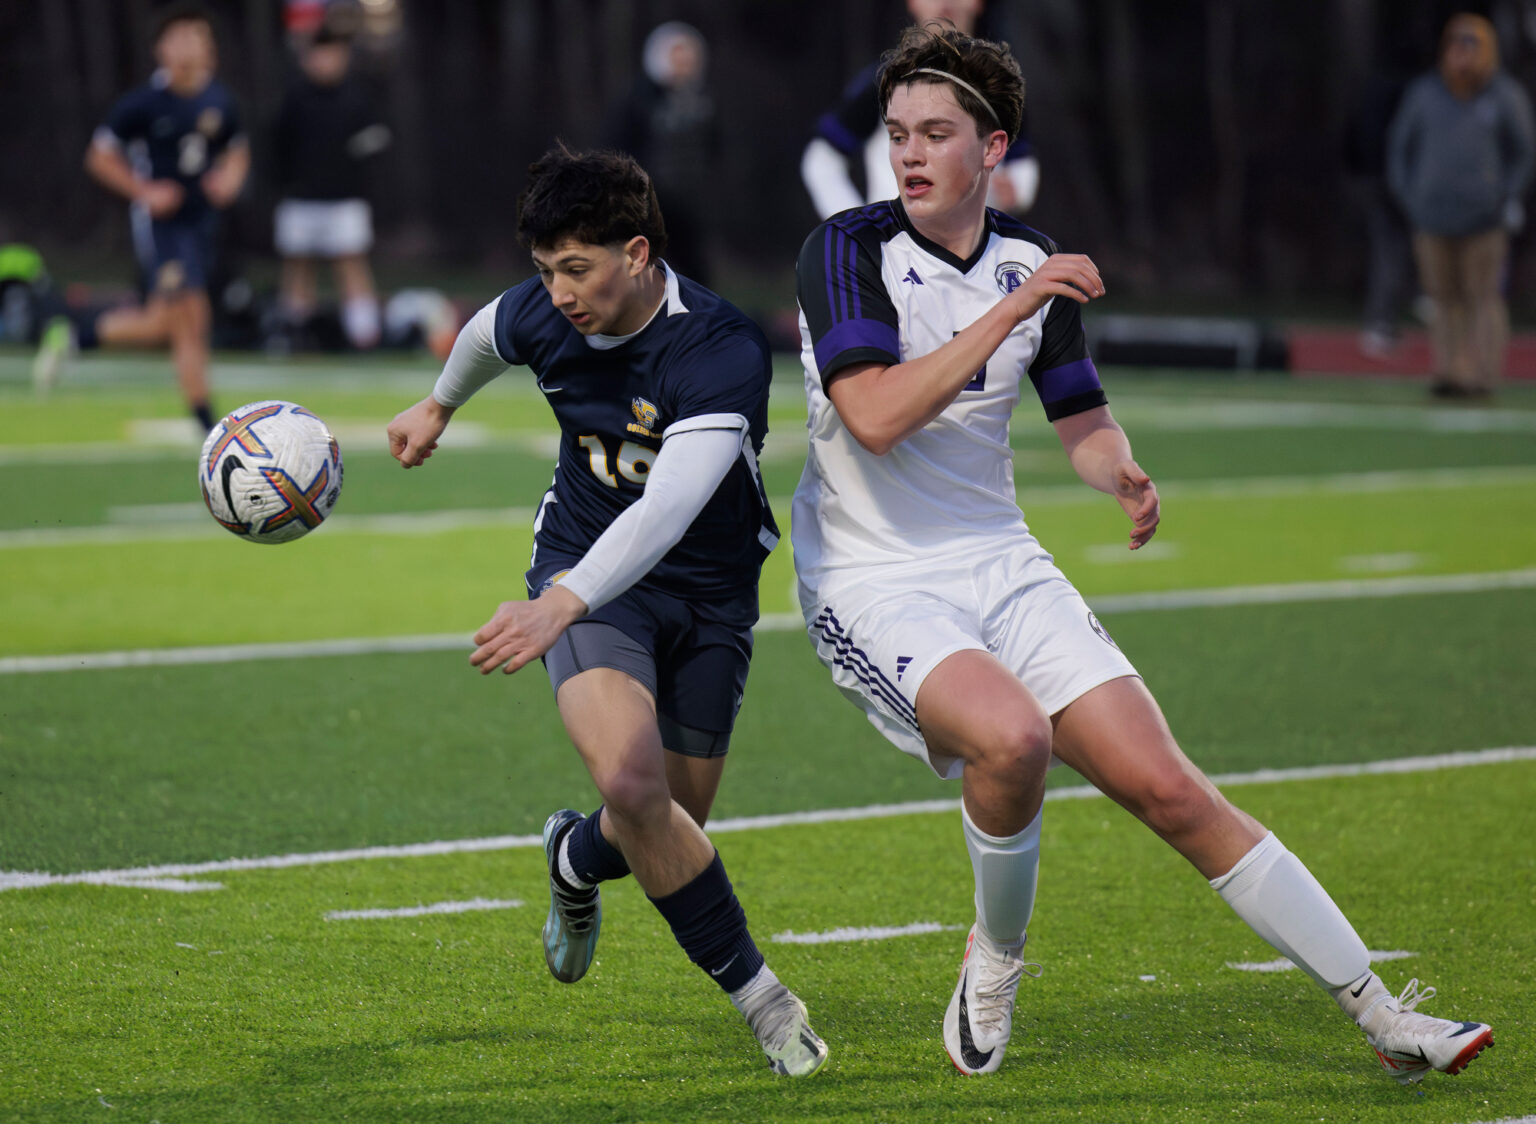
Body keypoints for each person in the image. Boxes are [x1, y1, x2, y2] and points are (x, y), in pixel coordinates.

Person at [792, 21, 1494, 1082]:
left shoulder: (1028, 255)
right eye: (898, 133)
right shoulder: (845, 247)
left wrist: (1116, 465)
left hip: (999, 557)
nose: (909, 154)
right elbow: (878, 414)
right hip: (871, 573)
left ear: (995, 149)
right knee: (1015, 739)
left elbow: (1078, 416)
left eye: (937, 133)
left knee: (1172, 788)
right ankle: (998, 952)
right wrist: (1014, 307)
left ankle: (1382, 1010)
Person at [386, 145, 827, 1078]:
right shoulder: (543, 311)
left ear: (638, 253)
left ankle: (572, 860)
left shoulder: (722, 349)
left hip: (708, 596)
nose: (557, 293)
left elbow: (670, 507)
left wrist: (559, 606)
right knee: (634, 787)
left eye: (576, 270)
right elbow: (482, 332)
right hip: (588, 572)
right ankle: (764, 1001)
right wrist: (437, 406)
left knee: (660, 822)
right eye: (545, 271)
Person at [32, 3, 248, 433]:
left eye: (197, 35)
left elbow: (236, 150)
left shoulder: (218, 100)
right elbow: (99, 157)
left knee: (159, 325)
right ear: (160, 49)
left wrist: (229, 181)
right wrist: (144, 191)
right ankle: (208, 425)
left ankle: (72, 336)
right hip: (163, 228)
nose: (189, 45)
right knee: (192, 316)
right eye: (179, 36)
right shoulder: (144, 104)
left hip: (200, 224)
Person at [1388, 12, 1535, 399]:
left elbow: (1523, 153)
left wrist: (1509, 197)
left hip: (1484, 219)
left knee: (1482, 297)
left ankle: (1482, 375)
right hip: (1432, 216)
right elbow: (1400, 148)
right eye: (1456, 45)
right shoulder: (1425, 93)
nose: (1462, 55)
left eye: (1471, 45)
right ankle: (1449, 371)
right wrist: (1409, 195)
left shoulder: (1503, 94)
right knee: (1442, 299)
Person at [800, 0, 1037, 221]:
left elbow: (1021, 159)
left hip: (981, 256)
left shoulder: (1000, 85)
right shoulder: (885, 81)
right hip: (897, 257)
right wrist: (856, 228)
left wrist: (1018, 190)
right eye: (900, 137)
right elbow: (821, 159)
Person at [272, 22, 391, 350]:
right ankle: (294, 335)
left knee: (351, 265)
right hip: (301, 200)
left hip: (345, 201)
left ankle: (365, 338)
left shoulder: (358, 98)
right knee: (298, 268)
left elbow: (374, 151)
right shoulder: (294, 98)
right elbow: (278, 149)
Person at [603, 21, 720, 286]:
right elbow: (615, 146)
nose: (684, 64)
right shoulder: (639, 98)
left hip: (690, 201)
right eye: (677, 57)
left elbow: (713, 147)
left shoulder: (702, 101)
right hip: (648, 200)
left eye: (689, 57)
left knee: (693, 270)